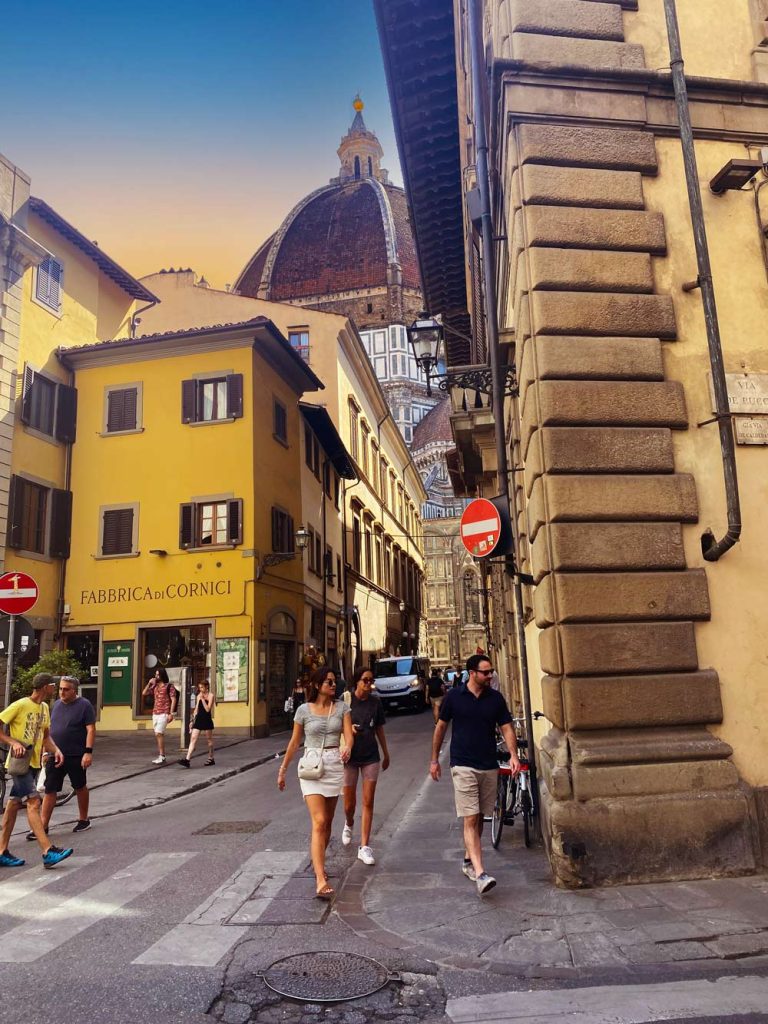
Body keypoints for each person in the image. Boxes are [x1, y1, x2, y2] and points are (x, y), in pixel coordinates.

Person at [430, 654, 520, 896]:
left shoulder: (495, 699)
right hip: (462, 765)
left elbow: (506, 727)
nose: (491, 675)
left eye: (491, 671)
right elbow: (441, 727)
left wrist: (513, 754)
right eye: (486, 672)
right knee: (470, 817)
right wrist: (434, 760)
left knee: (480, 816)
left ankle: (469, 860)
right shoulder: (454, 697)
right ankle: (481, 873)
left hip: (488, 764)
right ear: (472, 673)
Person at [277, 667, 353, 900]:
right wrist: (283, 769)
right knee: (319, 821)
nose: (333, 685)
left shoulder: (342, 708)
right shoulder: (303, 711)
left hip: (333, 764)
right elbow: (294, 742)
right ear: (318, 684)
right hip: (311, 766)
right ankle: (320, 879)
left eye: (334, 681)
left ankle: (320, 863)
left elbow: (349, 735)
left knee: (327, 821)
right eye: (329, 681)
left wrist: (348, 747)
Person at [0, 673, 74, 869]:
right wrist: (13, 742)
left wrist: (56, 750)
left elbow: (45, 736)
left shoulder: (44, 708)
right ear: (45, 687)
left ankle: (2, 851)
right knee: (34, 802)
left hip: (33, 763)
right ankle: (47, 850)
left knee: (13, 804)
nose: (56, 689)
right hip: (19, 763)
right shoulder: (21, 704)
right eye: (53, 685)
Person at [341, 666, 390, 865]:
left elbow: (379, 729)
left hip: (371, 756)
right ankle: (349, 822)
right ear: (357, 682)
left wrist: (386, 753)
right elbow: (336, 726)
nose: (369, 684)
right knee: (349, 804)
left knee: (368, 801)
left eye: (371, 681)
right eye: (365, 680)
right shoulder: (345, 702)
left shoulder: (375, 703)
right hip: (350, 757)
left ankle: (364, 847)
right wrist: (348, 729)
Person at [36, 675, 96, 837]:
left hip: (76, 754)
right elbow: (48, 730)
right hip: (55, 754)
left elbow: (90, 729)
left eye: (66, 689)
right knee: (50, 789)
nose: (62, 692)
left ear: (74, 690)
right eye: (60, 689)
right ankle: (43, 825)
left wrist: (88, 752)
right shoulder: (55, 705)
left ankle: (83, 819)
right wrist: (45, 751)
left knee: (79, 786)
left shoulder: (84, 705)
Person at [142, 667, 177, 763]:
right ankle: (161, 755)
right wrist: (149, 683)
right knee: (157, 735)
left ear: (162, 675)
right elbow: (144, 693)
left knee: (159, 733)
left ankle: (162, 756)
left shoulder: (169, 686)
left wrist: (171, 713)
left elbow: (173, 699)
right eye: (155, 674)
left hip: (164, 713)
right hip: (155, 713)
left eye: (158, 675)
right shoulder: (154, 687)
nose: (156, 676)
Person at [178, 679, 215, 767]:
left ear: (207, 687)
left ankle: (211, 758)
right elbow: (196, 709)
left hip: (207, 719)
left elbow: (208, 709)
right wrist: (192, 720)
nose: (200, 689)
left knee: (209, 740)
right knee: (193, 738)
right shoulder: (199, 696)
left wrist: (202, 699)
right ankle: (187, 759)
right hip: (199, 719)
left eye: (202, 687)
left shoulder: (211, 696)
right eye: (199, 687)